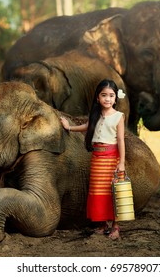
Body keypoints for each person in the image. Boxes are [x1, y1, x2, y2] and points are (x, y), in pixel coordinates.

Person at [60, 79, 125, 240]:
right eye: (104, 95)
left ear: (115, 98)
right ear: (97, 98)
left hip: (112, 159)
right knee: (98, 192)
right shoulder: (96, 115)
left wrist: (122, 162)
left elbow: (121, 140)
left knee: (114, 193)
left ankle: (116, 227)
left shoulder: (118, 116)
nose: (107, 99)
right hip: (97, 158)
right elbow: (88, 127)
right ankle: (102, 225)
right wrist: (69, 127)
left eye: (111, 95)